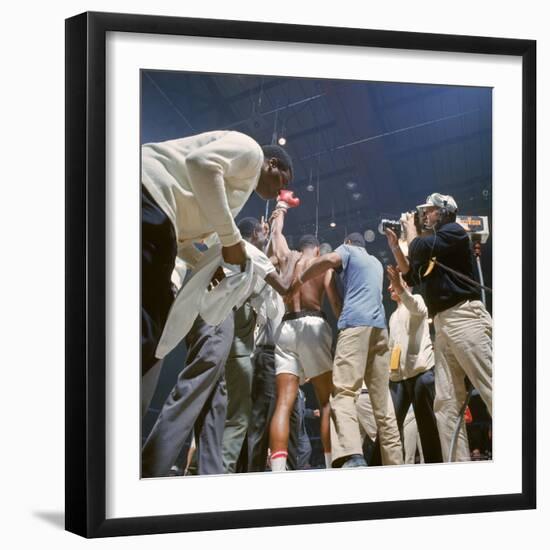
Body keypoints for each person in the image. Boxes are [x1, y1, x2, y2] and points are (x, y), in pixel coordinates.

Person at [141, 132, 296, 477]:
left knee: (217, 396)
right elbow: (201, 164)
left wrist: (208, 259)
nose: (278, 190)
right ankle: (148, 464)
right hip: (151, 199)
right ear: (273, 164)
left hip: (165, 224)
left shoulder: (232, 199)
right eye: (282, 180)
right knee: (160, 349)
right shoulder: (251, 151)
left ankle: (208, 470)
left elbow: (188, 237)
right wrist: (230, 242)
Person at [385, 192, 492, 462]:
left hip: (465, 316)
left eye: (430, 210)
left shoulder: (454, 232)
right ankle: (458, 467)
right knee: (445, 403)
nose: (424, 215)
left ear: (444, 212)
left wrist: (411, 231)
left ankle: (526, 459)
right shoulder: (434, 244)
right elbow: (411, 273)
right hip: (444, 324)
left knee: (491, 385)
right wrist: (397, 247)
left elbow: (419, 249)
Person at [290, 232, 402, 468]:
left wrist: (301, 277)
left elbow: (328, 260)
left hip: (355, 326)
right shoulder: (375, 262)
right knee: (383, 404)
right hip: (380, 330)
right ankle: (395, 463)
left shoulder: (348, 250)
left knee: (342, 393)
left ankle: (353, 457)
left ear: (349, 243)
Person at [222, 217, 300, 473]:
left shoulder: (260, 274)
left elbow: (272, 251)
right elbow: (281, 269)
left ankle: (253, 471)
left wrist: (277, 223)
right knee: (258, 422)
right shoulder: (265, 282)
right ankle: (250, 474)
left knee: (265, 421)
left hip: (273, 358)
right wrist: (291, 261)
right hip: (266, 356)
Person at [268, 210, 342, 472]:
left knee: (283, 403)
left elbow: (276, 235)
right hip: (313, 325)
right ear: (318, 250)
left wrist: (280, 211)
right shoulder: (321, 265)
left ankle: (277, 470)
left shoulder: (288, 258)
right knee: (326, 401)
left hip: (285, 327)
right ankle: (332, 465)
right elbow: (335, 304)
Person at [386, 265, 442, 463]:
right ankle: (377, 465)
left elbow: (415, 307)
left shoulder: (416, 299)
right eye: (390, 285)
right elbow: (392, 348)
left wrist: (400, 288)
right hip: (398, 379)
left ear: (405, 284)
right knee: (389, 425)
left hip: (420, 374)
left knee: (427, 429)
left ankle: (436, 468)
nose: (389, 288)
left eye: (393, 284)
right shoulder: (393, 316)